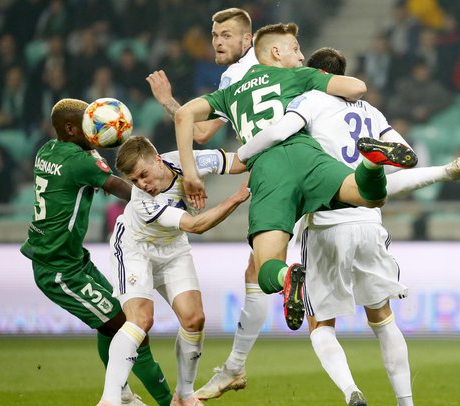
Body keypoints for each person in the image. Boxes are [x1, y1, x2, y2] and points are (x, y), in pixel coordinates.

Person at [215, 47, 460, 406]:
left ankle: (352, 393)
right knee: (382, 319)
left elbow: (279, 134)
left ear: (315, 75)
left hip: (327, 220)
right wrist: (445, 172)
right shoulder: (371, 113)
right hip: (369, 222)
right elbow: (405, 161)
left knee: (321, 324)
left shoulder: (308, 100)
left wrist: (240, 157)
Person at [174, 23, 417, 335]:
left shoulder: (228, 94)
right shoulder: (297, 77)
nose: (302, 58)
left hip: (267, 172)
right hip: (307, 156)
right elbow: (356, 88)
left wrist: (191, 174)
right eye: (296, 49)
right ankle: (372, 162)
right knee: (371, 196)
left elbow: (183, 116)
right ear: (276, 53)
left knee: (266, 269)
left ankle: (289, 277)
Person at [19, 98, 171, 406]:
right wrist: (163, 198)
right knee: (130, 328)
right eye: (90, 124)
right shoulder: (81, 161)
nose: (96, 128)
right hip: (59, 270)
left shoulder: (47, 150)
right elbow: (118, 186)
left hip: (73, 260)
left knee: (113, 321)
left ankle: (125, 398)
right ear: (72, 129)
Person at [89, 136, 249, 406]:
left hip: (173, 249)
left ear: (157, 160)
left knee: (194, 319)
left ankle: (184, 397)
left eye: (143, 175)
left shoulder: (184, 161)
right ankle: (109, 403)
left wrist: (265, 156)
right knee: (141, 319)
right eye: (134, 179)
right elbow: (197, 225)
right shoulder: (142, 202)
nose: (141, 184)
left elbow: (237, 161)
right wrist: (237, 198)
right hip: (135, 250)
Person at [146, 7, 267, 401]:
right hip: (266, 169)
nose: (218, 40)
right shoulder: (232, 77)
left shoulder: (262, 63)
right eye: (215, 34)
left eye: (227, 34)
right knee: (257, 269)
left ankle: (235, 367)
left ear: (248, 40)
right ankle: (235, 366)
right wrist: (170, 103)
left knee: (264, 271)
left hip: (284, 170)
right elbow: (198, 131)